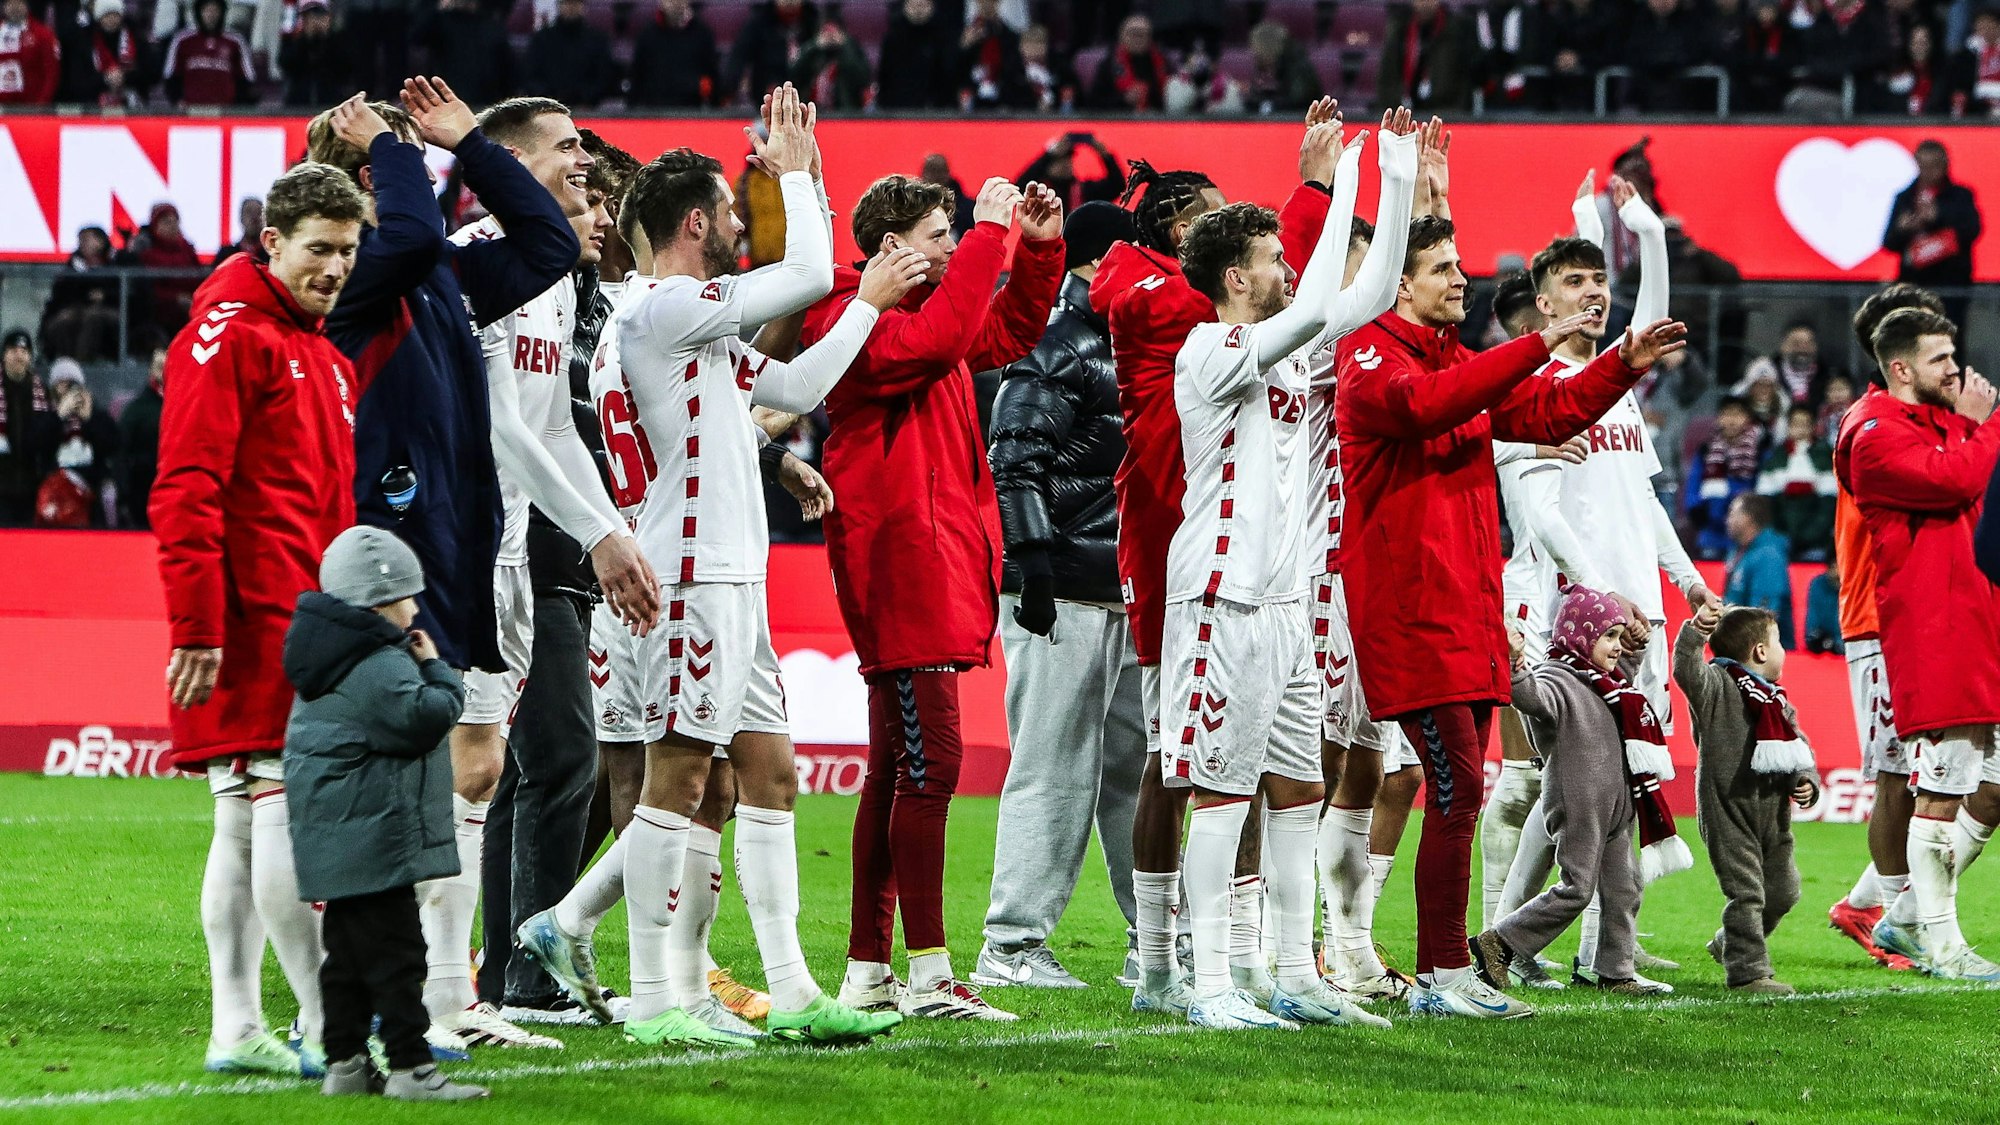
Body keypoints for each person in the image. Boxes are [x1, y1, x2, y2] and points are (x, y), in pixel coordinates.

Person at [528, 89, 915, 1048]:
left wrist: (864, 310)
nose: (746, 225)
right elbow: (811, 267)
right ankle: (663, 997)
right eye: (733, 212)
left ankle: (789, 988)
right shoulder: (662, 313)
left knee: (769, 776)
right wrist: (797, 170)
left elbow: (793, 387)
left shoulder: (682, 326)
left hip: (732, 576)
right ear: (696, 223)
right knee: (680, 778)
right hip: (688, 578)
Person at [1334, 206, 1686, 1019]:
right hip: (1411, 610)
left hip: (1466, 609)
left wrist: (1620, 364)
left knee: (1461, 790)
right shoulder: (1368, 355)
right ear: (1401, 282)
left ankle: (1438, 969)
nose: (1462, 278)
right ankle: (1439, 974)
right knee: (1453, 791)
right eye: (1444, 268)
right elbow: (1427, 406)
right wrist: (1541, 340)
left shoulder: (1449, 357)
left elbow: (1546, 414)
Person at [804, 165, 1066, 1022]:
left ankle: (868, 969)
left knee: (893, 771)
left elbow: (1012, 328)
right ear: (890, 247)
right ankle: (927, 975)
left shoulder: (930, 318)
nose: (954, 246)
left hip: (931, 554)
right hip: (900, 557)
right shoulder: (849, 315)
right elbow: (945, 342)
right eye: (939, 234)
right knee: (931, 764)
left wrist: (1034, 248)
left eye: (957, 232)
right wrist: (993, 239)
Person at [1165, 120, 1410, 1034]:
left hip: (1288, 607)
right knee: (1222, 791)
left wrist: (1395, 173)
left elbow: (1370, 290)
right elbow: (1314, 307)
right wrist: (1344, 177)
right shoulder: (1207, 350)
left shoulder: (1291, 349)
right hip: (1221, 598)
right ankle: (1213, 979)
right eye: (1274, 256)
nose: (1289, 268)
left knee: (1297, 791)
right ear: (1238, 276)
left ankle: (1296, 973)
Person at [1091, 118, 1340, 1015]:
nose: (1278, 259)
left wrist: (1357, 192)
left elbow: (1320, 304)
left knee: (1272, 777)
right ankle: (1167, 965)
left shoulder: (1219, 318)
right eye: (1199, 219)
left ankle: (1264, 967)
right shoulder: (1170, 313)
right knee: (1181, 766)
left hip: (1273, 585)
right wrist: (1322, 193)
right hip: (1190, 569)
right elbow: (1298, 300)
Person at [430, 94, 657, 1050]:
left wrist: (606, 526)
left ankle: (475, 982)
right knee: (480, 768)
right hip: (470, 547)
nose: (583, 162)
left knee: (497, 772)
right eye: (565, 148)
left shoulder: (559, 273)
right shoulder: (487, 255)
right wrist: (600, 536)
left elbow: (555, 421)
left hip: (524, 546)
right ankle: (457, 981)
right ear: (514, 158)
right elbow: (496, 424)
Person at [150, 162, 371, 1078]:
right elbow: (187, 488)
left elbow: (327, 508)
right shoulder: (225, 337)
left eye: (348, 251)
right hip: (253, 622)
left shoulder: (324, 354)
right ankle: (325, 1025)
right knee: (278, 811)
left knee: (243, 820)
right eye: (318, 249)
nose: (334, 267)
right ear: (270, 242)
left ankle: (238, 1025)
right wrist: (198, 626)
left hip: (308, 618)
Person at [1489, 175, 1716, 985]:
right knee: (1567, 790)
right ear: (1541, 308)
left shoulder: (1614, 398)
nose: (1593, 295)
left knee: (1620, 784)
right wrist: (1595, 592)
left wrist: (1685, 581)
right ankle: (1508, 941)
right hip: (1580, 619)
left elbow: (1642, 500)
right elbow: (1538, 514)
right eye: (1574, 284)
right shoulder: (1536, 392)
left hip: (1640, 610)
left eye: (1598, 282)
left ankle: (1580, 950)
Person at [975, 201, 1146, 991]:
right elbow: (1015, 449)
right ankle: (1009, 947)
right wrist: (1034, 560)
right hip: (1061, 590)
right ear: (1100, 261)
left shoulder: (1115, 338)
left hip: (1117, 587)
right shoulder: (1058, 337)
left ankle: (1159, 934)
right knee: (1053, 766)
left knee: (1133, 772)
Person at [283, 527, 489, 1102]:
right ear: (378, 602)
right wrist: (439, 669)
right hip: (374, 837)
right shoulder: (375, 660)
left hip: (340, 832)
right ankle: (410, 1068)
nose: (416, 608)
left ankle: (345, 1066)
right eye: (407, 596)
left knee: (346, 959)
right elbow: (425, 717)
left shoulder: (327, 653)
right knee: (400, 957)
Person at [1842, 307, 2000, 982]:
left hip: (1980, 620)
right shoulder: (1875, 434)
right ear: (1901, 367)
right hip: (1934, 628)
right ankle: (1941, 944)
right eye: (1940, 359)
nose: (1956, 370)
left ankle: (1904, 914)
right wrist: (1973, 424)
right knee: (1934, 791)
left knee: (1992, 785)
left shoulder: (1936, 425)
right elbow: (1954, 480)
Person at [1471, 586, 1680, 1000]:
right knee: (1576, 888)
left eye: (1620, 637)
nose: (1617, 647)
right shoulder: (1557, 678)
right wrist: (1515, 663)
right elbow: (1527, 695)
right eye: (1608, 637)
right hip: (1578, 803)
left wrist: (1637, 640)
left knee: (1625, 887)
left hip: (1617, 807)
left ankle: (1615, 971)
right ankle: (1499, 942)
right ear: (1580, 636)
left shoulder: (1608, 681)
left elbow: (1629, 663)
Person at [1825, 283, 1938, 972]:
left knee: (1942, 776)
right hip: (1879, 619)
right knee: (1898, 774)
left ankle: (1872, 905)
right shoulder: (1872, 425)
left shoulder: (1907, 417)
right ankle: (1900, 914)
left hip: (1922, 619)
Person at [1677, 602, 1820, 994]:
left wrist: (1806, 778)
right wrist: (1695, 633)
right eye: (1778, 642)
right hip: (1728, 809)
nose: (1783, 651)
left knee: (1784, 889)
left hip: (1773, 812)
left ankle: (1731, 941)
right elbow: (1685, 669)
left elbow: (1799, 746)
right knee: (1747, 892)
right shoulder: (1717, 686)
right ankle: (1748, 974)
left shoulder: (1776, 700)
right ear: (1760, 651)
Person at [1882, 140, 1982, 329]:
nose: (1928, 172)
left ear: (1944, 165)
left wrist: (1939, 217)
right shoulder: (1905, 197)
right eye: (1923, 166)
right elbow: (1888, 242)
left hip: (1950, 286)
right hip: (1913, 285)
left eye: (1934, 165)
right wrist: (1904, 228)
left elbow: (1972, 230)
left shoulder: (1960, 196)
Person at [1756, 404, 1837, 560]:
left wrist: (1810, 536)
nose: (1800, 429)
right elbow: (1765, 504)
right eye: (1795, 424)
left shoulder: (1825, 457)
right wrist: (1781, 534)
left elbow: (1828, 506)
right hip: (1781, 539)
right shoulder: (1776, 457)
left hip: (1816, 542)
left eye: (1805, 424)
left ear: (1813, 427)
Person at [1687, 397, 1762, 559]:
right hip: (1711, 534)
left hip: (1745, 533)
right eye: (1727, 414)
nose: (1731, 420)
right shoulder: (1706, 450)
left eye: (1737, 415)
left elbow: (1759, 488)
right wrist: (1698, 511)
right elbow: (1693, 485)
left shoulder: (1758, 449)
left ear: (1747, 418)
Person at [0, 330, 60, 527]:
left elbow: (48, 437)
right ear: (4, 355)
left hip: (31, 485)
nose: (19, 355)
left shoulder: (40, 390)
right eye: (13, 350)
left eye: (24, 351)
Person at [39, 227, 124, 363]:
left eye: (87, 239)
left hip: (109, 309)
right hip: (77, 307)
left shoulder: (116, 262)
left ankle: (82, 362)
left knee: (93, 318)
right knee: (64, 320)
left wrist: (105, 295)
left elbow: (124, 291)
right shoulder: (73, 266)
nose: (83, 243)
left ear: (101, 241)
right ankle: (65, 360)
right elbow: (62, 293)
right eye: (81, 240)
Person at [48, 363, 119, 525]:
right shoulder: (46, 413)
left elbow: (111, 446)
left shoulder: (97, 415)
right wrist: (59, 415)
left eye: (72, 384)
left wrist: (89, 419)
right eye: (61, 384)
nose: (68, 390)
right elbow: (38, 445)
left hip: (90, 489)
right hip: (56, 489)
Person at [1377, 0, 1479, 112]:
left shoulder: (1458, 28)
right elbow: (1388, 75)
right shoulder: (1400, 29)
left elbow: (1468, 74)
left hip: (1448, 111)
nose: (1425, 3)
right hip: (1406, 109)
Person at [1723, 494, 1795, 649]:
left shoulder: (1768, 555)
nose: (1727, 520)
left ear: (1748, 518)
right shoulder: (1739, 551)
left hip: (1762, 655)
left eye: (1732, 513)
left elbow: (1765, 616)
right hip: (1738, 647)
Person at [724, 0, 820, 106]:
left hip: (809, 100)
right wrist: (728, 90)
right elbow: (738, 58)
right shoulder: (759, 23)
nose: (789, 2)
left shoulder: (815, 22)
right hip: (766, 97)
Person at [161, 0, 256, 106]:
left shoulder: (235, 41)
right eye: (207, 11)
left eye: (215, 11)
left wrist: (236, 106)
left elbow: (246, 78)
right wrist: (177, 100)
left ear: (222, 13)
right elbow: (171, 77)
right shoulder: (182, 40)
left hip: (226, 112)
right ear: (199, 12)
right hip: (191, 111)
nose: (211, 15)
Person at [627, 0, 719, 108]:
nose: (674, 3)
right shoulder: (647, 35)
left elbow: (713, 75)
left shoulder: (702, 34)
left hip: (692, 110)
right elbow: (637, 75)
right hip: (653, 110)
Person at [58, 0, 149, 107]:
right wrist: (105, 79)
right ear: (99, 18)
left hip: (132, 102)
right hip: (93, 104)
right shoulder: (85, 41)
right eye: (107, 15)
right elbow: (78, 80)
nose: (112, 19)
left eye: (115, 15)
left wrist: (125, 77)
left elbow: (149, 72)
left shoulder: (135, 37)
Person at [524, 0, 614, 108]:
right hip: (548, 110)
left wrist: (587, 97)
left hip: (588, 109)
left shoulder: (597, 40)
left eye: (575, 3)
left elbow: (604, 77)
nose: (571, 7)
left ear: (583, 6)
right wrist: (549, 100)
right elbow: (531, 76)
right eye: (566, 3)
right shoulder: (541, 39)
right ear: (559, 6)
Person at [118, 346, 166, 529]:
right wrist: (123, 495)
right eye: (158, 366)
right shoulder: (136, 411)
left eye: (165, 365)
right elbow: (121, 453)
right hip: (142, 495)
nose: (162, 370)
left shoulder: (184, 403)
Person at [1017, 134, 1127, 213]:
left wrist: (1105, 156)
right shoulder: (1039, 191)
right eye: (1060, 159)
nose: (1066, 163)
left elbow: (1117, 186)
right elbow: (1019, 188)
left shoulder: (1083, 190)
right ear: (1047, 164)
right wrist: (1047, 156)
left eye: (1069, 158)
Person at [788, 16, 871, 108]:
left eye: (834, 32)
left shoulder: (851, 49)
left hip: (845, 113)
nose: (830, 36)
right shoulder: (811, 50)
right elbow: (793, 77)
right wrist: (814, 46)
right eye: (826, 32)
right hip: (812, 109)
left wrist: (845, 46)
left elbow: (864, 79)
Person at [278, 0, 349, 108]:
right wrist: (306, 39)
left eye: (319, 16)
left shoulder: (338, 39)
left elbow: (345, 69)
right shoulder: (293, 40)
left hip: (331, 103)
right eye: (309, 17)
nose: (315, 21)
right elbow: (285, 64)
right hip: (298, 104)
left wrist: (326, 38)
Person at [1088, 15, 1168, 111]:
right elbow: (1093, 103)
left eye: (1143, 34)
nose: (1138, 39)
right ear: (1122, 36)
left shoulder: (1161, 63)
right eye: (1133, 34)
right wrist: (1123, 100)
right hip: (1120, 120)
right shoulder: (1108, 65)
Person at [960, 0, 1027, 109]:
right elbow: (956, 71)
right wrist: (965, 47)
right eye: (982, 1)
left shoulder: (1010, 37)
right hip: (971, 102)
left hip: (1002, 104)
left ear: (998, 3)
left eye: (991, 1)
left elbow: (1015, 71)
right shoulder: (965, 34)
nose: (987, 5)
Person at [0, 0, 60, 104]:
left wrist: (41, 104)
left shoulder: (43, 34)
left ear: (27, 6)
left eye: (19, 3)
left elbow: (52, 73)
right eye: (10, 4)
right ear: (3, 7)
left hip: (31, 108)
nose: (15, 8)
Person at [1804, 558, 1843, 654]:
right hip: (1824, 641)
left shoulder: (1855, 586)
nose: (1837, 572)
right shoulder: (1818, 585)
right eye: (1834, 567)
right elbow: (1812, 622)